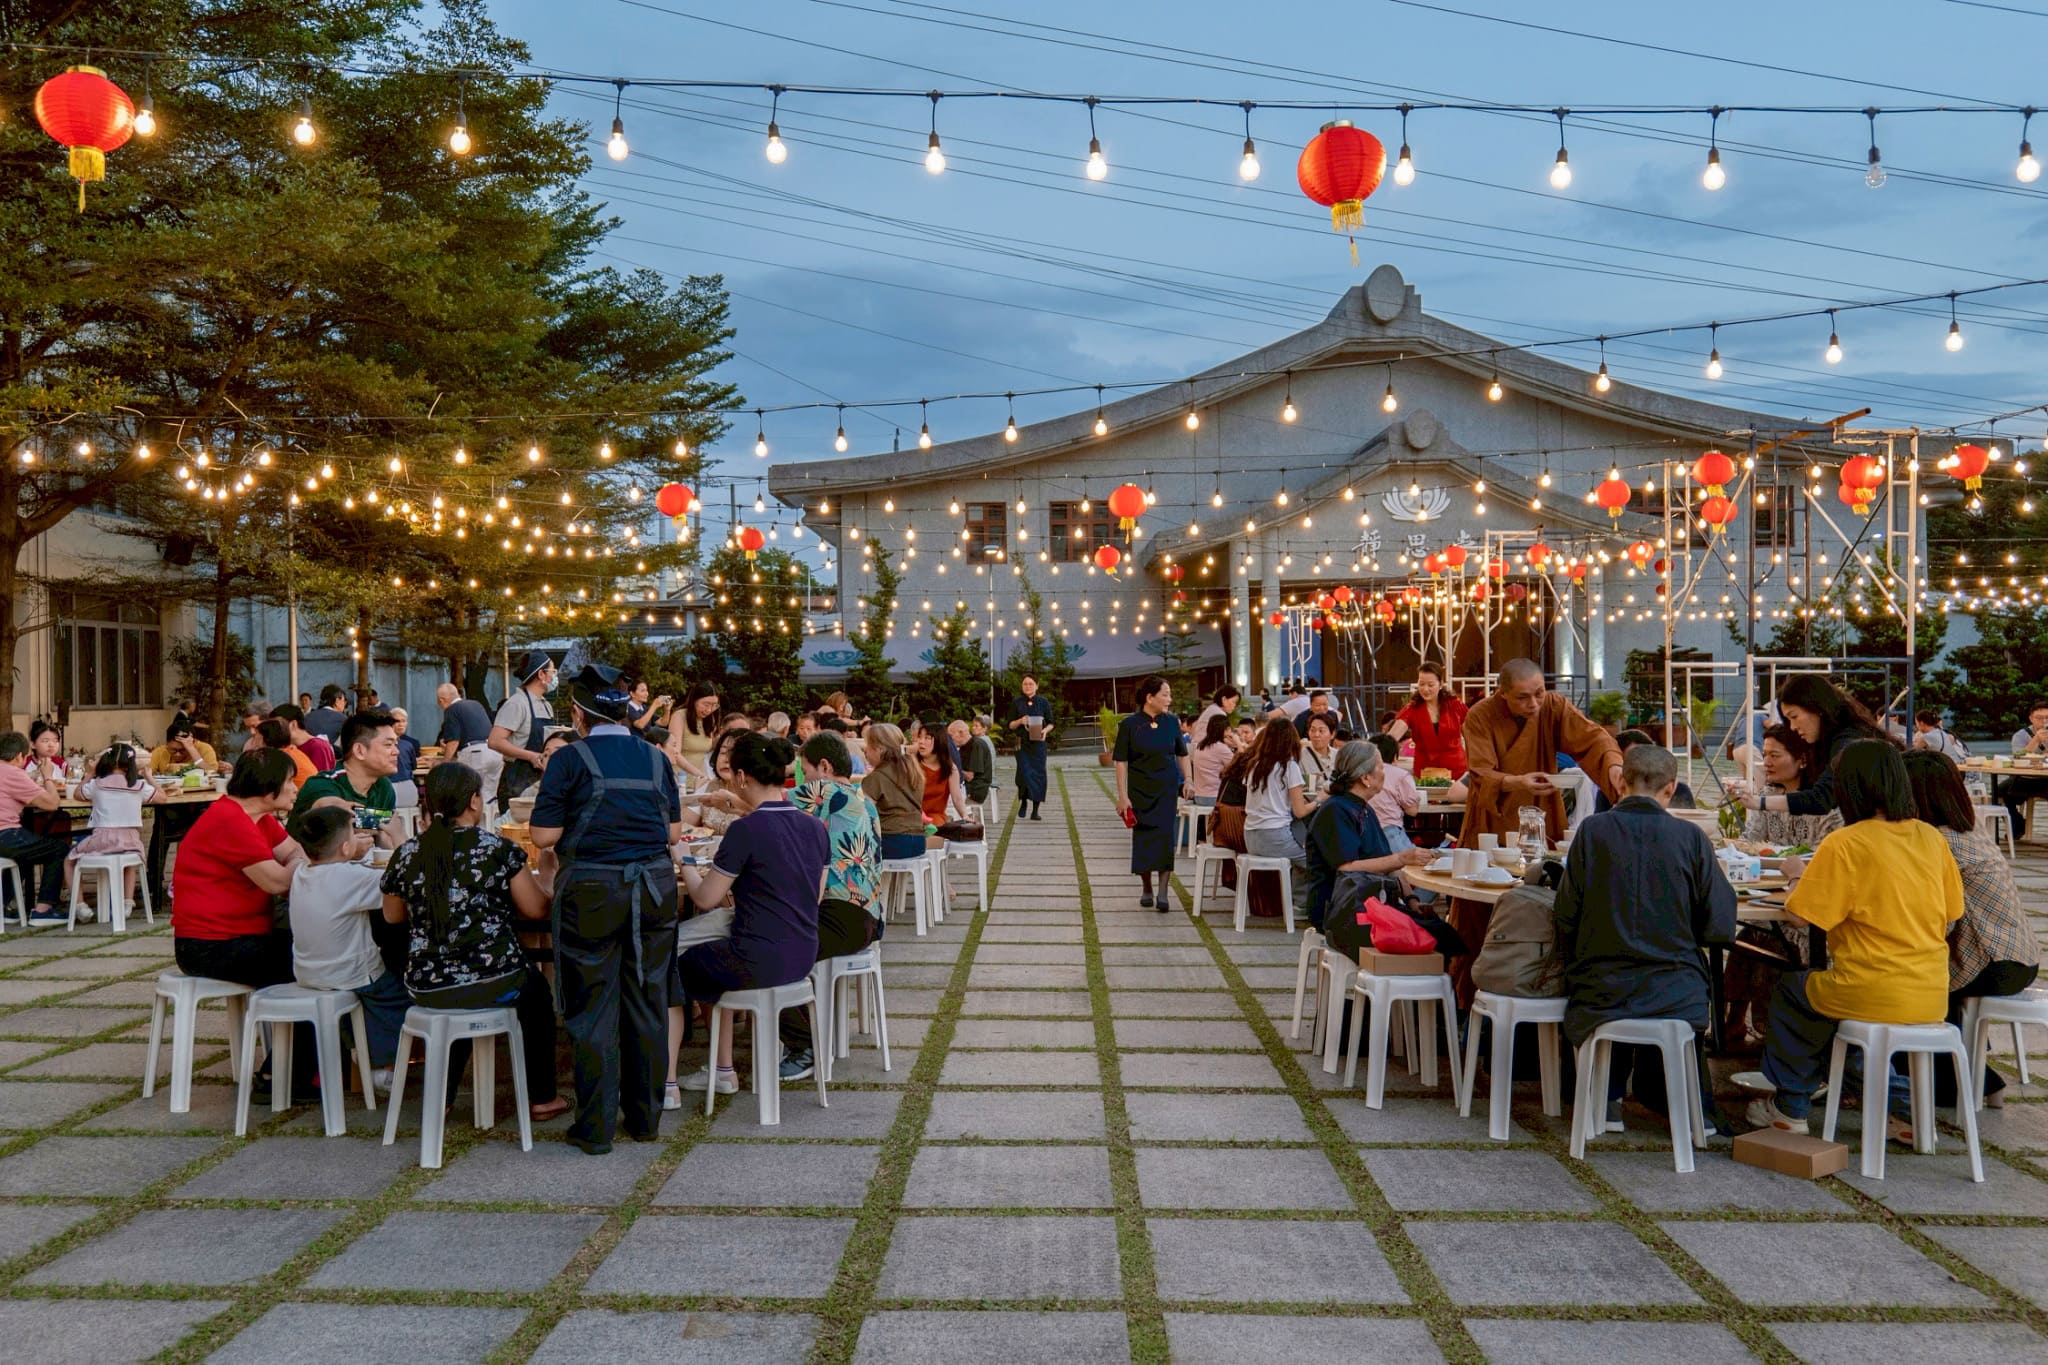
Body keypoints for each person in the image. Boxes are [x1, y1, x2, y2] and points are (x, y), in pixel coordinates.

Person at [1747, 741, 1965, 1136]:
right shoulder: (1932, 839)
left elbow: (1798, 917)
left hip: (1866, 987)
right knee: (1841, 1016)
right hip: (1931, 990)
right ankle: (1904, 1106)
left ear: (1849, 789)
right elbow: (1952, 911)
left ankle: (1789, 1106)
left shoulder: (1846, 843)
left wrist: (1796, 874)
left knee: (1794, 991)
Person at [528, 664, 681, 1153]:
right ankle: (645, 1120)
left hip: (593, 890)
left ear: (578, 713)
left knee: (593, 1007)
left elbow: (543, 836)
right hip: (655, 888)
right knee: (648, 1001)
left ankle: (595, 1129)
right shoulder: (657, 759)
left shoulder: (569, 760)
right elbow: (674, 835)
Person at [1556, 742, 1736, 1131]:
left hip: (1600, 989)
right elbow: (1719, 925)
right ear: (1670, 789)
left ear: (1619, 782)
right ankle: (1692, 1110)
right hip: (1675, 993)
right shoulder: (1690, 838)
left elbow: (1566, 912)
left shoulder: (1592, 831)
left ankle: (1607, 1098)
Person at [380, 761, 567, 1122]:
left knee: (459, 997)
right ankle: (542, 1097)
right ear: (474, 802)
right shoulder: (496, 850)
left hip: (426, 987)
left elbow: (392, 916)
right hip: (493, 978)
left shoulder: (408, 853)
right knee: (537, 994)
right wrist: (547, 877)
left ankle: (443, 1097)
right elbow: (534, 909)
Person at [1454, 660, 1624, 1003]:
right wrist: (1517, 780)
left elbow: (1593, 739)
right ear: (1503, 694)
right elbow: (1481, 774)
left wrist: (1616, 768)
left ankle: (1546, 986)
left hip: (1541, 816)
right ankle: (1472, 1004)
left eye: (1539, 693)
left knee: (1547, 903)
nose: (1534, 704)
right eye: (1523, 698)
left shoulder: (1554, 707)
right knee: (1481, 915)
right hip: (1492, 822)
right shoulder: (1481, 715)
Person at [676, 733, 828, 1095]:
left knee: (681, 960)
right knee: (713, 954)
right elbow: (815, 896)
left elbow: (706, 897)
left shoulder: (745, 829)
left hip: (757, 958)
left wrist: (686, 863)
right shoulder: (814, 827)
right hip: (803, 952)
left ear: (742, 777)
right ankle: (722, 1067)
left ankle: (718, 1067)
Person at [170, 748, 312, 1101]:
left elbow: (294, 853)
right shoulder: (230, 821)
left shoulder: (256, 818)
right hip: (210, 945)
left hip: (241, 934)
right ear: (268, 791)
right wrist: (296, 864)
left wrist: (295, 862)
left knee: (310, 955)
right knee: (312, 967)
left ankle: (298, 1069)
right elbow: (278, 882)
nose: (295, 789)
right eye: (289, 783)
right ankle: (280, 1076)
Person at [1901, 751, 2041, 1108]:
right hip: (2018, 956)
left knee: (1903, 991)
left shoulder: (1937, 842)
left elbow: (1936, 920)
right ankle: (1980, 1079)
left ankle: (1959, 1086)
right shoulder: (1967, 829)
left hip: (1986, 960)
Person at [1722, 723, 1844, 1045]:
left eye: (1775, 755)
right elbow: (1751, 842)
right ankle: (1732, 1025)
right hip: (1771, 896)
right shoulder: (1768, 797)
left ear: (1802, 760)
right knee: (1747, 936)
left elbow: (1824, 859)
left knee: (1765, 941)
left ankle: (1770, 1035)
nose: (1767, 763)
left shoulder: (1826, 806)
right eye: (1766, 756)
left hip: (1808, 912)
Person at [778, 732, 884, 1079]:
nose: (803, 779)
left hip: (843, 915)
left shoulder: (829, 791)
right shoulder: (863, 800)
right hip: (866, 915)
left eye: (805, 772)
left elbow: (770, 802)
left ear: (824, 767)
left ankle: (804, 1043)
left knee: (767, 950)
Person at [286, 805, 407, 1081]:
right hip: (349, 973)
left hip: (308, 972)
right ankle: (382, 1065)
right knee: (396, 993)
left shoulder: (302, 874)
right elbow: (402, 878)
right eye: (353, 833)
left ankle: (356, 1045)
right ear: (344, 848)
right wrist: (399, 839)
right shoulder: (350, 878)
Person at [1303, 740, 1433, 941]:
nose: (1385, 771)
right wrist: (1402, 858)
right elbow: (1347, 868)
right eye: (1381, 766)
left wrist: (1412, 900)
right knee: (1434, 938)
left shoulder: (1365, 809)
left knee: (1440, 930)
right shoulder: (1336, 810)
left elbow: (1388, 862)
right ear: (1365, 778)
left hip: (1371, 903)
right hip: (1343, 911)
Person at [1730, 673, 1889, 821]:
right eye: (1788, 720)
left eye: (1794, 716)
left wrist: (1759, 802)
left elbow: (1822, 799)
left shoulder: (1849, 740)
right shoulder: (1832, 741)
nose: (1792, 727)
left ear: (1817, 708)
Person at [1113, 676, 1190, 911]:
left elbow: (1182, 754)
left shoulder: (1172, 722)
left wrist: (1189, 780)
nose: (1169, 699)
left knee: (1166, 837)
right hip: (1140, 790)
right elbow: (1121, 762)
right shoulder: (1130, 725)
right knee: (1144, 839)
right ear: (1150, 697)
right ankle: (1147, 886)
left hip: (1165, 789)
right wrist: (1122, 795)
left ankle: (1164, 891)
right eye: (1165, 694)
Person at [65, 743, 163, 916]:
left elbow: (77, 794)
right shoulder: (138, 786)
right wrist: (149, 778)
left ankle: (80, 905)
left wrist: (90, 774)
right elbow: (162, 798)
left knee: (69, 860)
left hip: (102, 839)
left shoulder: (97, 784)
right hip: (131, 840)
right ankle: (127, 902)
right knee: (129, 862)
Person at [1240, 716, 1318, 921]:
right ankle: (1301, 905)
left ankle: (1298, 902)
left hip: (1251, 837)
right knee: (1316, 858)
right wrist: (1321, 800)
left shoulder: (1255, 765)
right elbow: (1300, 811)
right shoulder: (1288, 767)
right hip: (1275, 837)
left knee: (1302, 841)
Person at [293, 710, 401, 844]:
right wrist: (383, 823)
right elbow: (334, 816)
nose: (396, 751)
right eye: (388, 745)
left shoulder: (383, 786)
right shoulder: (323, 784)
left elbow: (389, 836)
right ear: (359, 751)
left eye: (396, 744)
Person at [0, 732, 71, 926]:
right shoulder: (12, 773)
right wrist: (47, 777)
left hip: (7, 836)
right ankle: (44, 909)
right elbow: (52, 804)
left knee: (24, 853)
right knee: (58, 849)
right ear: (19, 757)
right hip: (5, 834)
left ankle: (3, 905)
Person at [490, 651, 556, 813]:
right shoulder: (516, 704)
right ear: (541, 674)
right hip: (517, 779)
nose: (555, 676)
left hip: (541, 778)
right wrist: (531, 756)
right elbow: (495, 741)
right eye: (553, 671)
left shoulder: (546, 705)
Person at [1386, 663, 1469, 779]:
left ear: (1441, 684)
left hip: (1457, 770)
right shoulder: (1412, 709)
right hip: (1424, 772)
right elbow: (1391, 738)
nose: (1425, 689)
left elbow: (1471, 735)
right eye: (1421, 684)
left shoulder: (1455, 705)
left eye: (1430, 685)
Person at [861, 723, 930, 860]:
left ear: (879, 749)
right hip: (918, 841)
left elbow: (863, 814)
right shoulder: (913, 771)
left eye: (867, 746)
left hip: (892, 842)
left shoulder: (876, 778)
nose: (864, 751)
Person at [1593, 730, 1695, 812]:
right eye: (1634, 759)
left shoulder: (1679, 790)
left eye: (1645, 757)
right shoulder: (1607, 793)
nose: (1641, 764)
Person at [435, 682, 500, 799]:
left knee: (469, 795)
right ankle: (491, 817)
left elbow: (454, 741)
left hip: (475, 754)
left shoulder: (451, 709)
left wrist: (444, 762)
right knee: (489, 797)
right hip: (494, 752)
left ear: (442, 700)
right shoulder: (476, 704)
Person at [1366, 733, 1422, 852]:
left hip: (1361, 831)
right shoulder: (1401, 775)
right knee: (1412, 863)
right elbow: (1412, 811)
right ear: (1395, 757)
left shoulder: (1360, 773)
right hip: (1389, 832)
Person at [1009, 674, 1054, 820]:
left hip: (1038, 744)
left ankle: (1035, 809)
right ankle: (1023, 802)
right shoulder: (1016, 702)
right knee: (1023, 774)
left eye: (1030, 684)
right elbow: (1010, 725)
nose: (1027, 686)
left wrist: (1045, 731)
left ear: (1037, 685)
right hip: (1021, 743)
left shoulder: (1043, 702)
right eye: (1025, 684)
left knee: (1038, 775)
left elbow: (1051, 722)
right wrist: (1020, 721)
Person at [2003, 700, 2048, 838]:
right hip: (2023, 778)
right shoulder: (2020, 735)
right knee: (1999, 793)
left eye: (2047, 718)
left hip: (2046, 779)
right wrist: (2035, 740)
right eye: (2039, 718)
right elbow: (2017, 758)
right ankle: (2017, 825)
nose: (2044, 722)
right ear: (2031, 718)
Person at [914, 720, 967, 826]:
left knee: (935, 828)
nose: (920, 741)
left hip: (935, 817)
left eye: (927, 738)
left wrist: (965, 815)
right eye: (919, 737)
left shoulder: (950, 769)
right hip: (912, 816)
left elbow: (957, 798)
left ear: (939, 740)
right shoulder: (912, 764)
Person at [675, 683, 722, 784]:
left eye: (714, 705)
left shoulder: (710, 720)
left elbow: (710, 748)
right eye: (706, 704)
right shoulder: (679, 716)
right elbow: (675, 753)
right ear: (694, 700)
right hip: (680, 779)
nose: (709, 710)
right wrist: (698, 773)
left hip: (700, 781)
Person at [247, 717, 317, 786]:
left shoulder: (278, 759)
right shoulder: (291, 752)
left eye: (257, 737)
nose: (255, 743)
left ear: (265, 739)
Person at [272, 704, 336, 773]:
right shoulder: (287, 748)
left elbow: (322, 779)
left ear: (293, 724)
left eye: (277, 726)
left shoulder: (319, 747)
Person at [1188, 713, 1233, 808]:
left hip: (1199, 796)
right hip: (1213, 797)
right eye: (1229, 729)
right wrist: (1237, 743)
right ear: (1224, 730)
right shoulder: (1220, 748)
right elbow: (1238, 767)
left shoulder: (1201, 746)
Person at [150, 722, 222, 778]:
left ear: (193, 742)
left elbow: (212, 773)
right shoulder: (160, 751)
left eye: (183, 750)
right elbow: (145, 773)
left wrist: (191, 749)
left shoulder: (205, 748)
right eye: (173, 750)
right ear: (167, 744)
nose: (178, 754)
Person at [953, 719, 993, 808]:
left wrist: (952, 766)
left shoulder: (976, 745)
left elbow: (969, 777)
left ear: (961, 733)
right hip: (969, 786)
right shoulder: (964, 746)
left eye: (951, 736)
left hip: (976, 789)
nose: (950, 739)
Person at [388, 707, 421, 810]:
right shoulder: (408, 745)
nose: (401, 724)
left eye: (403, 721)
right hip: (393, 788)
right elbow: (414, 767)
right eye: (397, 721)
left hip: (403, 789)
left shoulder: (408, 744)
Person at [1300, 712, 1339, 787]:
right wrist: (1310, 781)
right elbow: (1298, 789)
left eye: (1321, 731)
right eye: (1312, 730)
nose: (1316, 735)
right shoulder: (1300, 757)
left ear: (1332, 734)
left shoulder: (1339, 756)